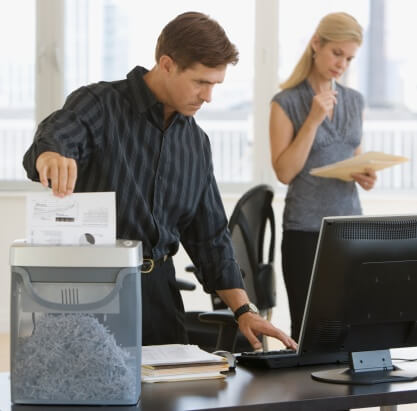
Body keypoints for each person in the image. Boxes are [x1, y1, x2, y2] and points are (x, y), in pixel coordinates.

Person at [23, 12, 296, 351]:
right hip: (91, 292)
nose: (208, 96)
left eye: (215, 84)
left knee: (166, 399)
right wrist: (50, 153)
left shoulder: (196, 143)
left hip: (160, 298)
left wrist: (243, 309)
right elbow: (59, 133)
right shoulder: (100, 103)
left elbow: (210, 238)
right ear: (166, 64)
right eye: (200, 82)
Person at [269, 12, 377, 341]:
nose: (341, 64)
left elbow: (352, 157)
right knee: (311, 331)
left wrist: (364, 175)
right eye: (336, 53)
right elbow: (285, 172)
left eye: (349, 58)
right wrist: (313, 120)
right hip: (306, 232)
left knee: (354, 327)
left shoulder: (355, 101)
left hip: (351, 230)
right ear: (316, 44)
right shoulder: (285, 102)